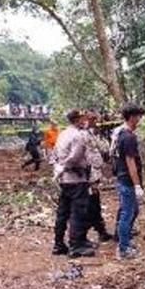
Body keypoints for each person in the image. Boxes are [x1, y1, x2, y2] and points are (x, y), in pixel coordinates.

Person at [52, 110, 95, 258]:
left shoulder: (62, 134)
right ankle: (76, 246)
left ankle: (58, 244)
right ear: (78, 119)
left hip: (64, 179)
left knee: (62, 212)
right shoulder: (77, 135)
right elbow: (75, 157)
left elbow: (55, 153)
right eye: (83, 118)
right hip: (76, 179)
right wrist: (66, 165)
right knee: (78, 212)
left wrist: (60, 168)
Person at [114, 104, 145, 260]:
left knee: (133, 211)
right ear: (132, 117)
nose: (139, 119)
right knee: (127, 214)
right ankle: (123, 249)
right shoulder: (128, 137)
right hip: (127, 180)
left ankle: (125, 240)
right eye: (138, 116)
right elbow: (130, 162)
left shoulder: (122, 134)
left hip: (124, 179)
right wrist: (137, 184)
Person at [83, 110, 112, 243]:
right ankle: (84, 234)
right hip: (87, 175)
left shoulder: (93, 133)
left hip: (95, 173)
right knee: (90, 205)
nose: (95, 123)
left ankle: (101, 230)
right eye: (92, 120)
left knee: (95, 203)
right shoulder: (82, 135)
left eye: (95, 120)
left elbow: (103, 149)